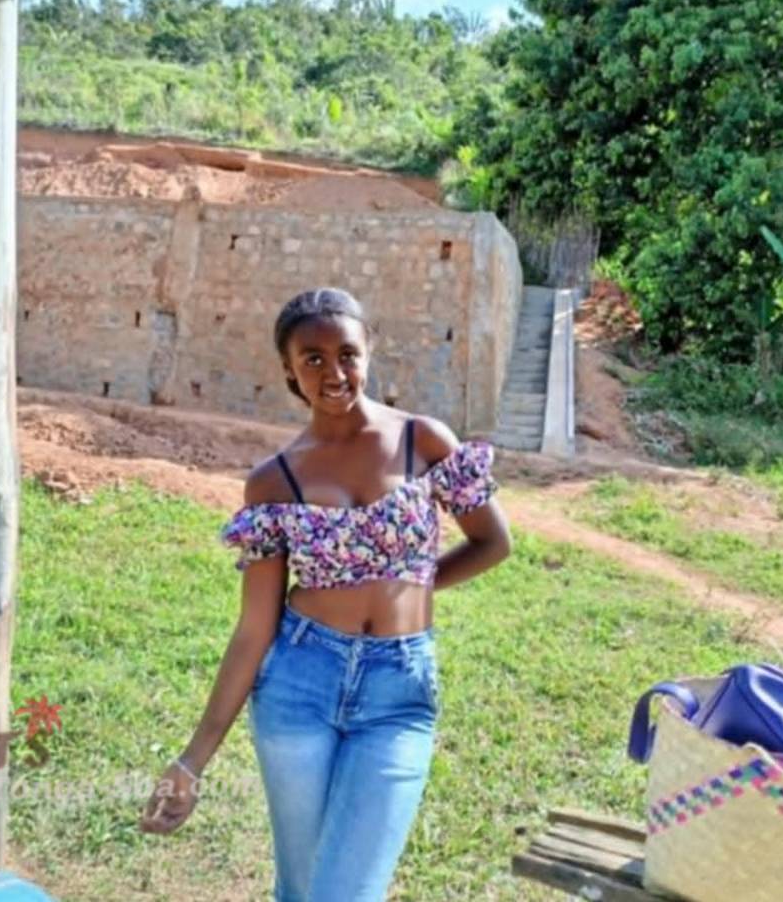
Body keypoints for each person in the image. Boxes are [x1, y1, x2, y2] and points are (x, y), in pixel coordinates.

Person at [140, 287, 511, 901]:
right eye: (312, 358)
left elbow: (492, 542)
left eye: (347, 354)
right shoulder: (274, 481)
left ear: (368, 353)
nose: (333, 373)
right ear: (289, 369)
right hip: (299, 685)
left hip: (397, 693)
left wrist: (413, 584)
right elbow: (255, 629)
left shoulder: (423, 442)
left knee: (344, 892)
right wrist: (190, 762)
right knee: (302, 886)